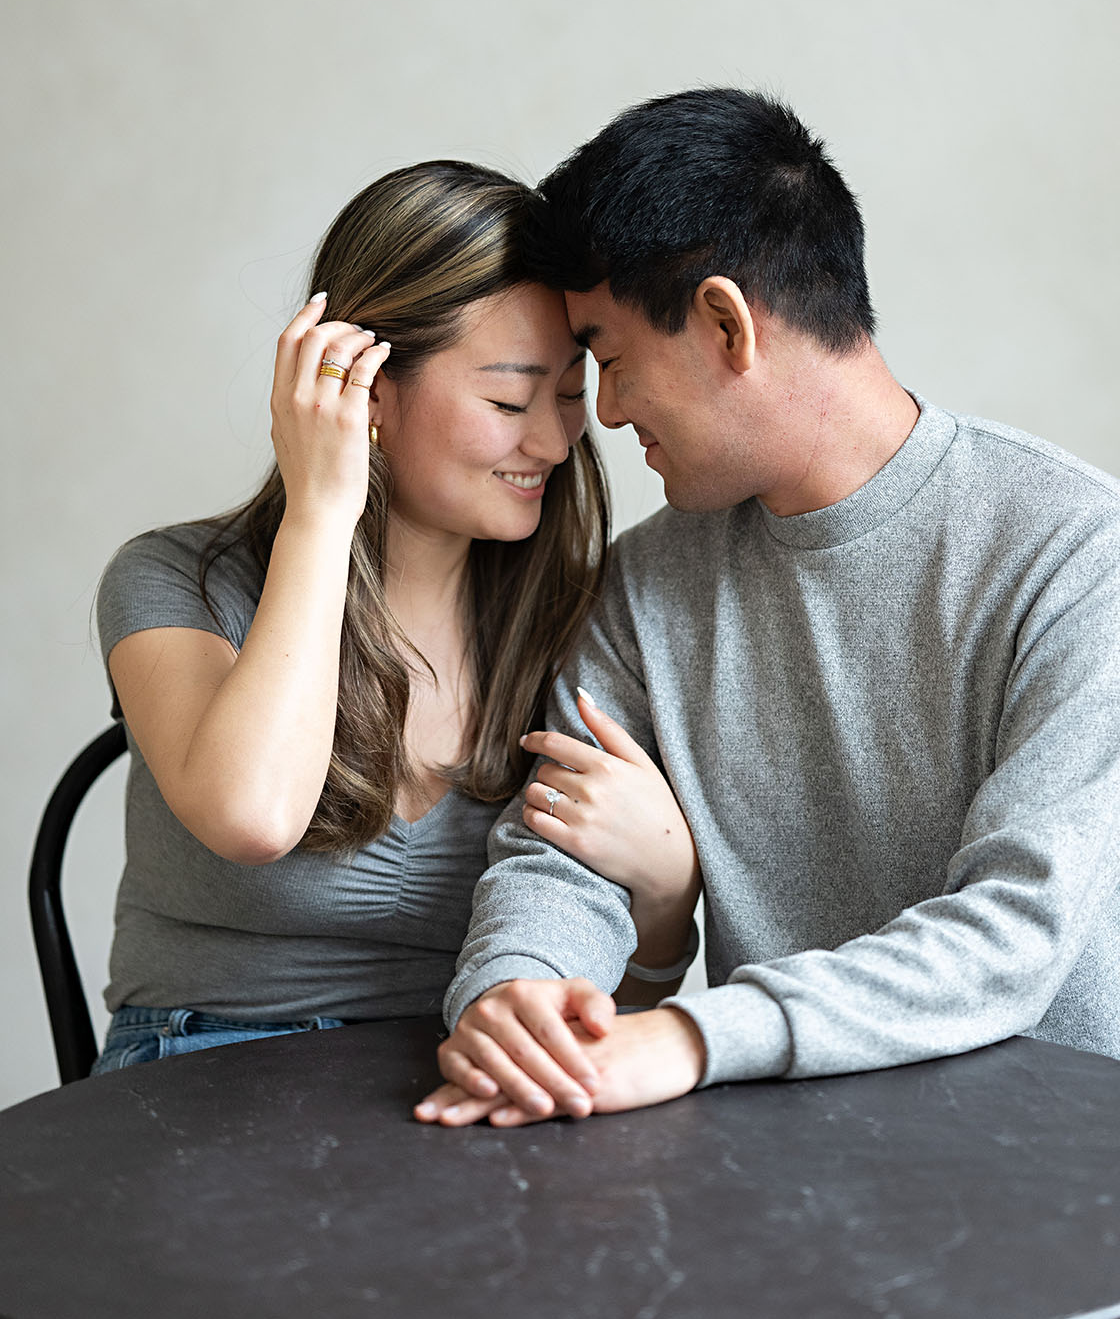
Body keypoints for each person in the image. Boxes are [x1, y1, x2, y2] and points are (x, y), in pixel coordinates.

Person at [414, 91, 1120, 1319]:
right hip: (783, 1201)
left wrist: (690, 1036)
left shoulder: (1088, 552)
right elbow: (557, 847)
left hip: (1082, 1209)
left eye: (607, 356)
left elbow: (1013, 936)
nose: (602, 413)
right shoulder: (648, 587)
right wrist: (519, 994)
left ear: (724, 324)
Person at [92, 158, 700, 1084]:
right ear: (366, 391)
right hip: (205, 1069)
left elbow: (618, 1010)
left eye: (570, 393)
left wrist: (664, 888)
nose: (552, 440)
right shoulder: (173, 581)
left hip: (462, 1077)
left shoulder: (581, 617)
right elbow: (251, 816)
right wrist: (323, 510)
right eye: (507, 400)